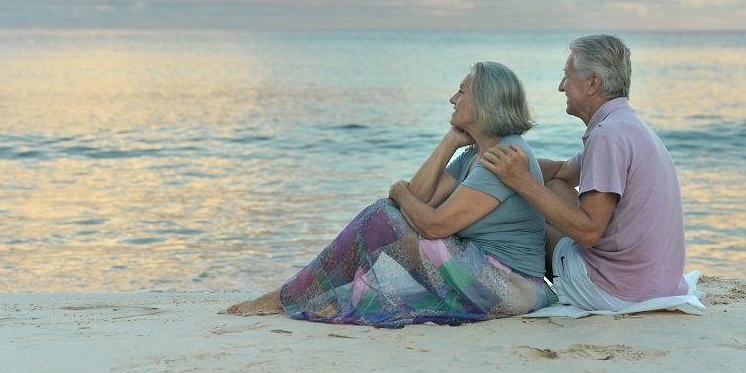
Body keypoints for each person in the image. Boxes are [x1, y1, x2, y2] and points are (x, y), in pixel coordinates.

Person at [224, 61, 554, 327]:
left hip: (510, 287)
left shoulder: (505, 156)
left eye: (461, 92)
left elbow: (434, 225)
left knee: (382, 217)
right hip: (482, 272)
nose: (452, 99)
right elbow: (420, 199)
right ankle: (296, 293)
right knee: (385, 227)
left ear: (484, 102)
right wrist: (450, 141)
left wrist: (398, 189)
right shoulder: (476, 152)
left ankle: (286, 296)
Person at [482, 34, 688, 312]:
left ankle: (480, 281)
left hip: (615, 291)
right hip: (654, 284)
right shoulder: (626, 125)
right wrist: (493, 157)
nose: (560, 86)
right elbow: (563, 172)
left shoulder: (608, 136)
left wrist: (522, 182)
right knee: (555, 185)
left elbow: (589, 231)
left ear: (593, 83)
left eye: (567, 76)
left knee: (522, 227)